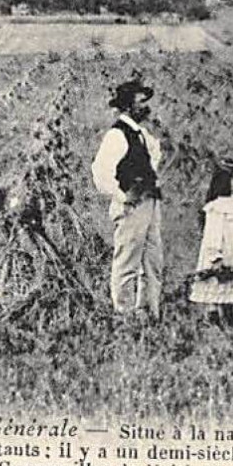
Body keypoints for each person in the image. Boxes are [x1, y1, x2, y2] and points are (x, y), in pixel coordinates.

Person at [90, 78, 165, 318]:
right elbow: (101, 171)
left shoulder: (140, 133)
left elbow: (155, 154)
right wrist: (123, 196)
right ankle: (123, 314)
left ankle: (148, 313)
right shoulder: (117, 135)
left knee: (152, 260)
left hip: (149, 203)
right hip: (132, 206)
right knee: (127, 261)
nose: (147, 107)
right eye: (141, 102)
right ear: (128, 105)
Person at [191, 159, 233, 327]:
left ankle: (229, 315)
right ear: (224, 182)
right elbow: (213, 233)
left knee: (232, 283)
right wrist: (214, 254)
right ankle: (213, 315)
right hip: (222, 251)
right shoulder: (217, 207)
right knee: (217, 282)